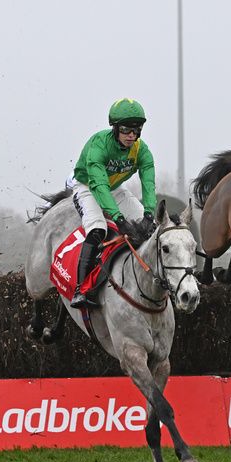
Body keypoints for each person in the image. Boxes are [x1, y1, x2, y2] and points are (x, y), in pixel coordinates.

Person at [66, 98, 157, 309]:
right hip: (88, 187)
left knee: (152, 229)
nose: (131, 135)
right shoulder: (99, 144)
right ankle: (81, 289)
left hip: (115, 189)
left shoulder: (141, 150)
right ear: (115, 128)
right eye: (126, 129)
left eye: (136, 130)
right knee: (98, 229)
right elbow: (98, 185)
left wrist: (149, 213)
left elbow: (148, 183)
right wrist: (118, 218)